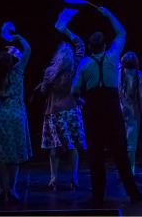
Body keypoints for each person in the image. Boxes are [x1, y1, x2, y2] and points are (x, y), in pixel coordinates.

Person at [71, 6, 142, 207]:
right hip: (111, 108)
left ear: (90, 47)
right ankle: (133, 193)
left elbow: (74, 91)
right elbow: (122, 33)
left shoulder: (84, 64)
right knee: (120, 153)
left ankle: (98, 196)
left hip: (93, 109)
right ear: (104, 45)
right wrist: (108, 13)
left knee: (95, 155)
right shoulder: (112, 56)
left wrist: (81, 102)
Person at [36, 23, 86, 191]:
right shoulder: (75, 66)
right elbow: (80, 45)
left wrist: (45, 85)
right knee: (73, 146)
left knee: (54, 146)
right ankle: (74, 177)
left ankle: (53, 178)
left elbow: (43, 91)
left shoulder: (50, 72)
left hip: (54, 112)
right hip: (71, 110)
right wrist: (66, 30)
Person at [0, 27, 32, 204]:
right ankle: (12, 189)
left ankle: (2, 189)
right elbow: (28, 50)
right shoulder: (17, 72)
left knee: (1, 156)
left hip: (1, 116)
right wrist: (16, 37)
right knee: (14, 155)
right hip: (16, 116)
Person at [118, 52, 142, 175]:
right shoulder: (139, 75)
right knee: (131, 144)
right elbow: (141, 96)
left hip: (120, 110)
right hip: (134, 111)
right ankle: (131, 170)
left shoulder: (118, 74)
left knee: (121, 142)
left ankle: (122, 170)